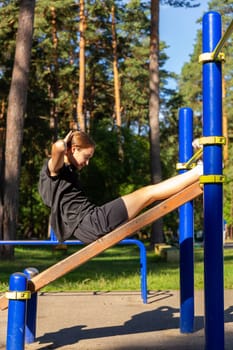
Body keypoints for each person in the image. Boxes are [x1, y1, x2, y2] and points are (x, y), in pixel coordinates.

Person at [39, 130, 203, 244]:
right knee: (148, 193)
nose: (87, 163)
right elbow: (58, 148)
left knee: (148, 197)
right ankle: (199, 171)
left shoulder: (66, 172)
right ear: (74, 149)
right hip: (91, 222)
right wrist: (66, 141)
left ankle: (195, 172)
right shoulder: (54, 171)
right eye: (86, 157)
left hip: (88, 225)